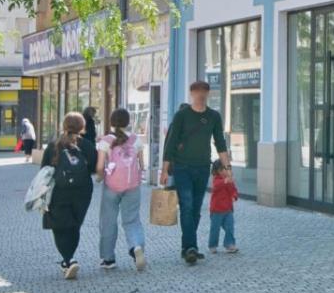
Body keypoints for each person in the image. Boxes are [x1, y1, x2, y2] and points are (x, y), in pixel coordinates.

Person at [161, 81, 229, 266]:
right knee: (187, 206)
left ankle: (187, 247)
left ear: (208, 94)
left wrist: (227, 168)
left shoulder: (214, 116)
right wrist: (165, 169)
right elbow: (171, 143)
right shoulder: (182, 115)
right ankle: (191, 247)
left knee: (196, 210)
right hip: (182, 167)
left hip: (202, 167)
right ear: (191, 93)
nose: (200, 95)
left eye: (204, 91)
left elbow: (220, 143)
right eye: (197, 91)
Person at [41, 111, 97, 279]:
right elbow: (93, 167)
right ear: (82, 127)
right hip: (83, 191)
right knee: (74, 225)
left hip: (59, 191)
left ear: (64, 126)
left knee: (59, 226)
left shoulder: (53, 145)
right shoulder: (87, 145)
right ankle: (69, 260)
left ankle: (68, 259)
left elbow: (44, 169)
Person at [94, 109, 148, 272]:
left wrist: (100, 177)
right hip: (132, 186)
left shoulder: (106, 141)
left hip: (111, 186)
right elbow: (142, 165)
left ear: (111, 122)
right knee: (132, 220)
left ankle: (108, 259)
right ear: (128, 122)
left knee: (108, 221)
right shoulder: (136, 140)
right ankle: (136, 246)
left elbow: (100, 167)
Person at [207, 158, 239, 255]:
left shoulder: (229, 180)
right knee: (215, 229)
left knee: (230, 227)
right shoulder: (217, 179)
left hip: (228, 209)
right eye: (225, 169)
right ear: (219, 171)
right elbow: (216, 186)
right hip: (216, 210)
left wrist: (234, 196)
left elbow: (234, 190)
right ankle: (212, 245)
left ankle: (229, 244)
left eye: (227, 169)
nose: (226, 171)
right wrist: (225, 181)